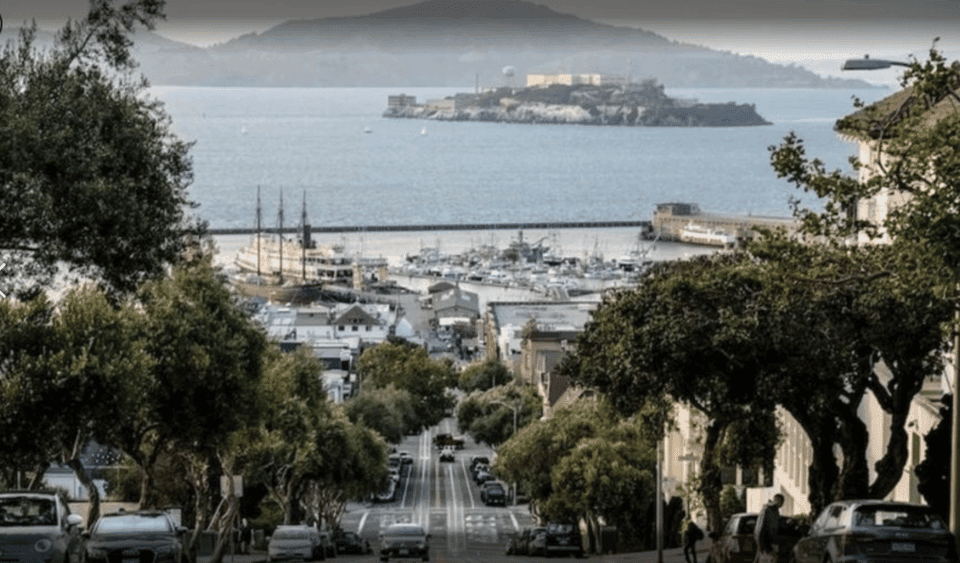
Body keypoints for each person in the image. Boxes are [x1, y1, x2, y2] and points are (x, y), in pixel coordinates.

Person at [754, 493, 785, 563]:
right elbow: (760, 528)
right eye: (782, 502)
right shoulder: (768, 510)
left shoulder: (775, 511)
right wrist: (764, 546)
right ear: (778, 500)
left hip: (769, 543)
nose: (783, 504)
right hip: (767, 544)